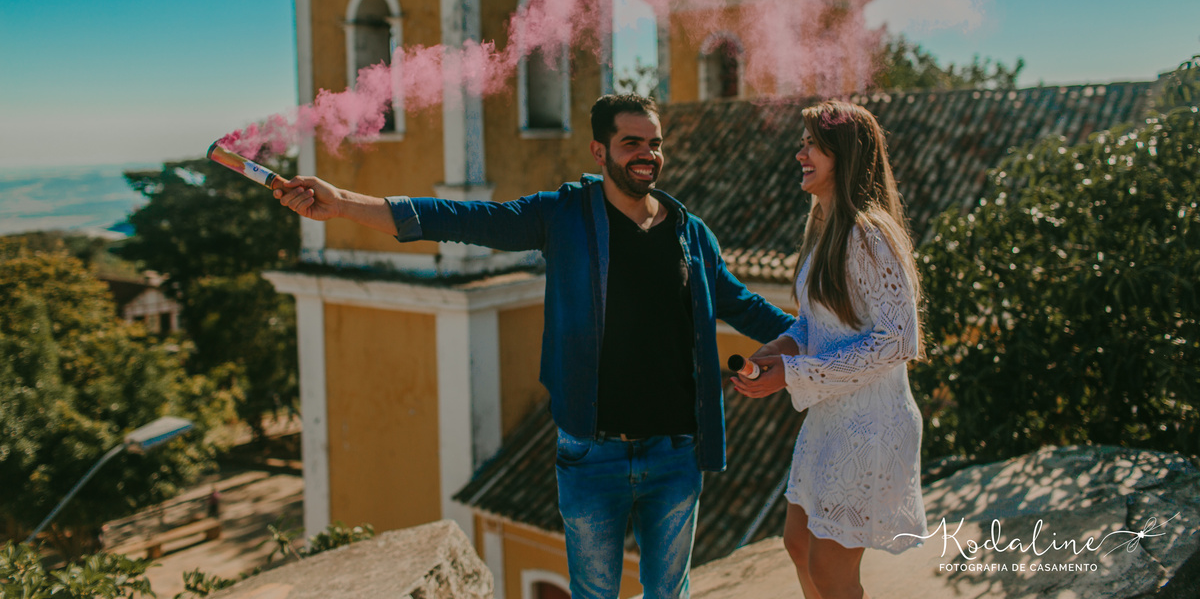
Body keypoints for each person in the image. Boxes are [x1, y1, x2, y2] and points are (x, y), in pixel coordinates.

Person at [273, 93, 794, 599]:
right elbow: (459, 220)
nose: (647, 155)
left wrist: (817, 338)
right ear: (599, 150)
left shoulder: (690, 233)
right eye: (632, 142)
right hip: (592, 453)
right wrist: (342, 204)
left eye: (655, 143)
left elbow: (743, 304)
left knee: (667, 592)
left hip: (676, 451)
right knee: (593, 594)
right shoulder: (561, 216)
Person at [732, 100, 927, 599]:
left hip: (871, 425)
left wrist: (797, 377)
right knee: (798, 544)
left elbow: (898, 339)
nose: (801, 153)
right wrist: (779, 350)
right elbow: (817, 321)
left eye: (812, 144)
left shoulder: (869, 234)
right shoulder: (824, 229)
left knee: (830, 571)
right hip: (832, 418)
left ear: (844, 154)